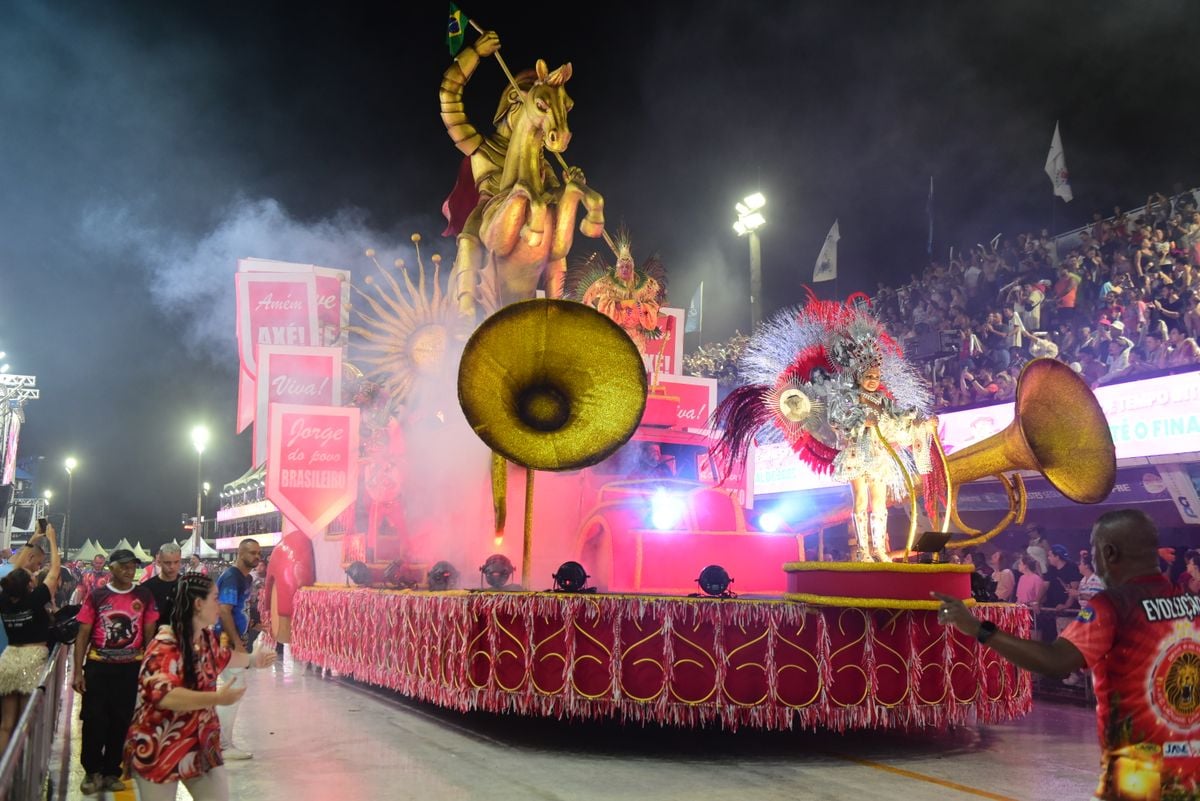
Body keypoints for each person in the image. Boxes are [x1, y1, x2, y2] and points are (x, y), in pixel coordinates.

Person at [934, 509, 1200, 799]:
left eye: (1094, 549)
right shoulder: (1190, 601)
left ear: (1109, 552)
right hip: (1190, 764)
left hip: (1140, 770)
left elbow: (1056, 661)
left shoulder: (1113, 605)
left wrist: (978, 628)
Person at [125, 574, 275, 800]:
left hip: (201, 742)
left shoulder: (205, 637)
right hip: (160, 746)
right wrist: (216, 699)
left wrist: (253, 660)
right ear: (198, 604)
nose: (219, 604)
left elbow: (223, 657)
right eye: (215, 598)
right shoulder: (164, 644)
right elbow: (165, 696)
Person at [73, 548, 159, 795]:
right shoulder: (97, 595)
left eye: (132, 566)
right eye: (123, 566)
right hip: (99, 668)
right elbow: (83, 634)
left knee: (121, 721)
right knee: (94, 720)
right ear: (111, 568)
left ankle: (112, 771)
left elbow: (149, 631)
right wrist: (78, 672)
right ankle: (92, 771)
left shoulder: (144, 595)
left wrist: (149, 667)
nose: (129, 571)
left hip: (130, 669)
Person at [0, 522, 59, 753]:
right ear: (28, 585)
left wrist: (34, 538)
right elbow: (55, 571)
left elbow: (15, 569)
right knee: (26, 724)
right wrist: (51, 540)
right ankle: (22, 769)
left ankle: (2, 770)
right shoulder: (35, 600)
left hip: (8, 658)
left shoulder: (4, 600)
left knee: (6, 725)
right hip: (31, 660)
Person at [214, 538, 262, 760]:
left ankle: (219, 741)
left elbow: (239, 609)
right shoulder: (232, 577)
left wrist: (252, 625)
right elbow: (224, 610)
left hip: (233, 639)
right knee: (235, 687)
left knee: (235, 687)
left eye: (258, 553)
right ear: (240, 553)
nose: (256, 557)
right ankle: (222, 745)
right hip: (225, 641)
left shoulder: (246, 578)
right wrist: (237, 641)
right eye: (252, 552)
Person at [142, 543, 183, 631]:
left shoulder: (188, 585)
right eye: (167, 563)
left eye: (176, 562)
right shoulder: (146, 588)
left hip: (182, 636)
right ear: (159, 562)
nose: (172, 566)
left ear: (180, 561)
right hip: (155, 637)